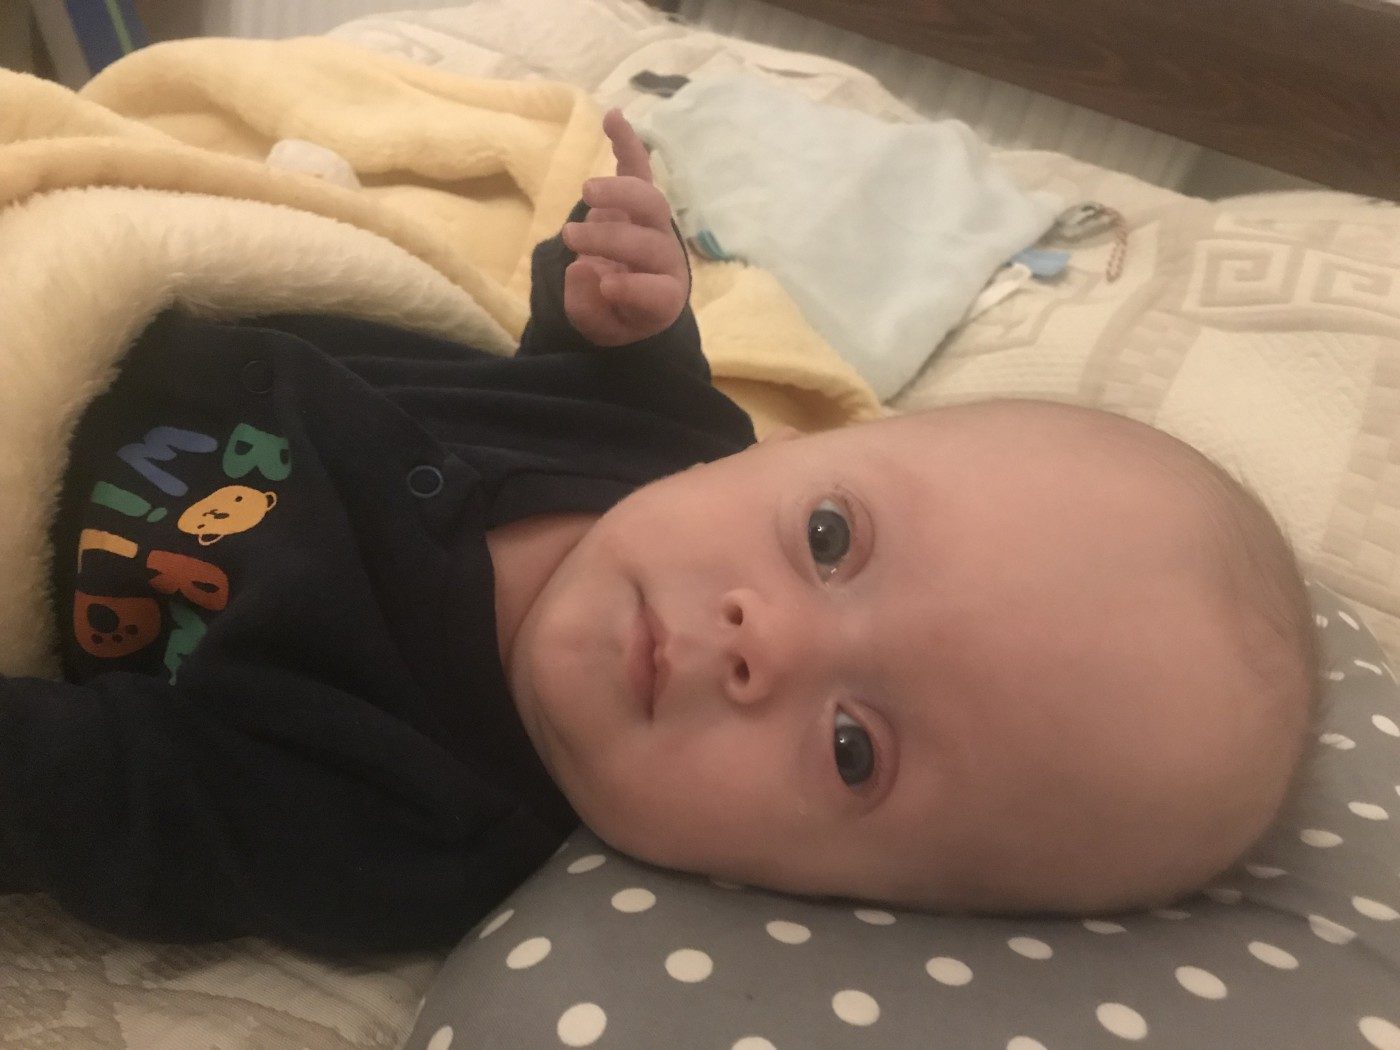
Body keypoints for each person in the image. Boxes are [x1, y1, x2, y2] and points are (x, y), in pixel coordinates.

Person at [0, 111, 1318, 951]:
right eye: (829, 535)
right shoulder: (667, 440)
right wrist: (625, 294)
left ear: (831, 900)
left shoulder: (404, 833)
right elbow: (596, 355)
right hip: (125, 279)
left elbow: (85, 796)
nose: (763, 639)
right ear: (804, 455)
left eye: (853, 748)